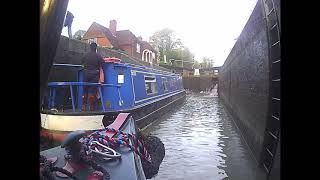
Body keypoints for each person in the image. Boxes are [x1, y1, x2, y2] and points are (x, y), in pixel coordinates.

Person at [81, 42, 104, 111]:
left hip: (86, 74)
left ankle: (84, 106)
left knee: (85, 90)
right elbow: (102, 63)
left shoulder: (85, 55)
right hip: (94, 75)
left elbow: (81, 62)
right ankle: (91, 107)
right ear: (96, 48)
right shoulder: (98, 56)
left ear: (90, 47)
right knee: (92, 91)